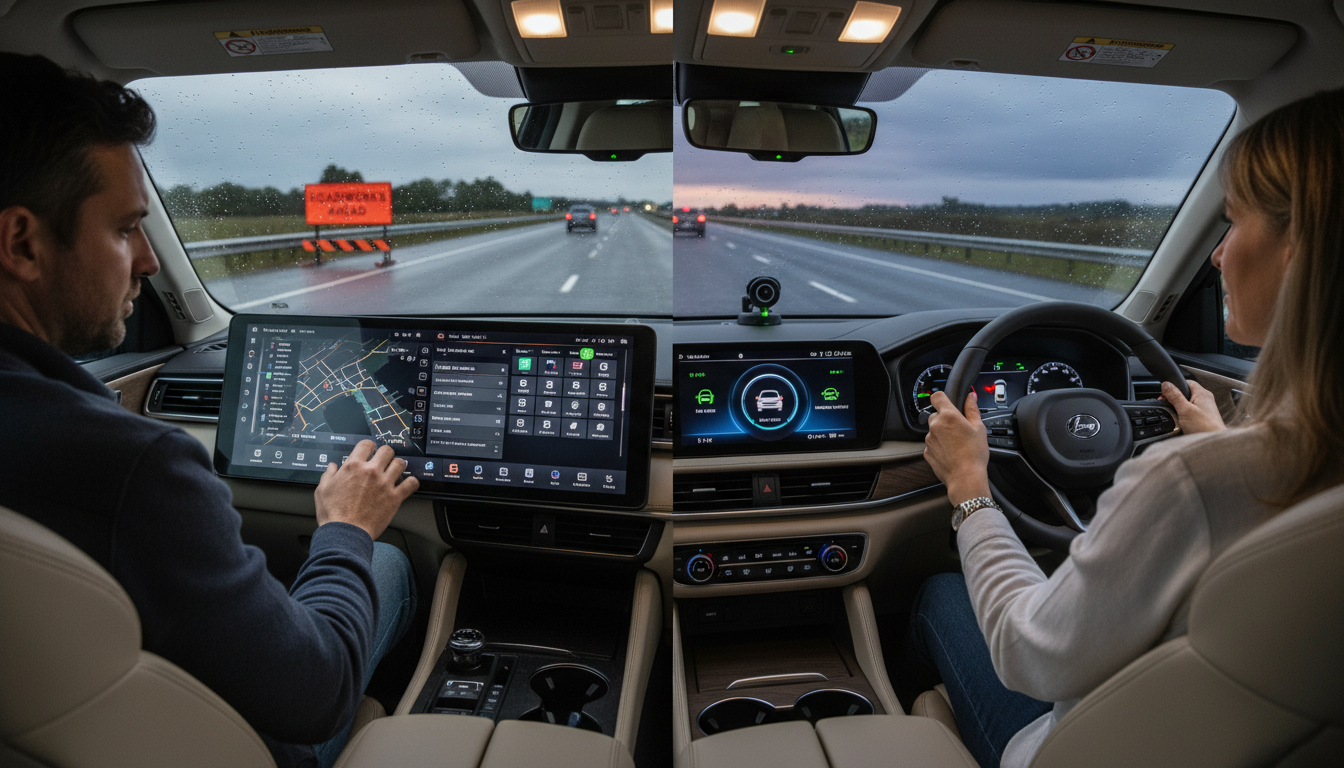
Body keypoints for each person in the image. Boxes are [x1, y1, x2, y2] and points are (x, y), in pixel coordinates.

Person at [903, 86, 1344, 768]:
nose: (1218, 256)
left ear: (1299, 249)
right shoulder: (1249, 471)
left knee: (940, 592)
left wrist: (969, 488)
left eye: (1232, 222)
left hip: (1077, 744)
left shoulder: (1190, 482)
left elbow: (1026, 655)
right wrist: (1219, 445)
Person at [0, 53, 421, 768]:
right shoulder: (135, 469)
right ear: (22, 243)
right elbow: (316, 694)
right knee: (385, 560)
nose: (148, 262)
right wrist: (345, 528)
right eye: (126, 228)